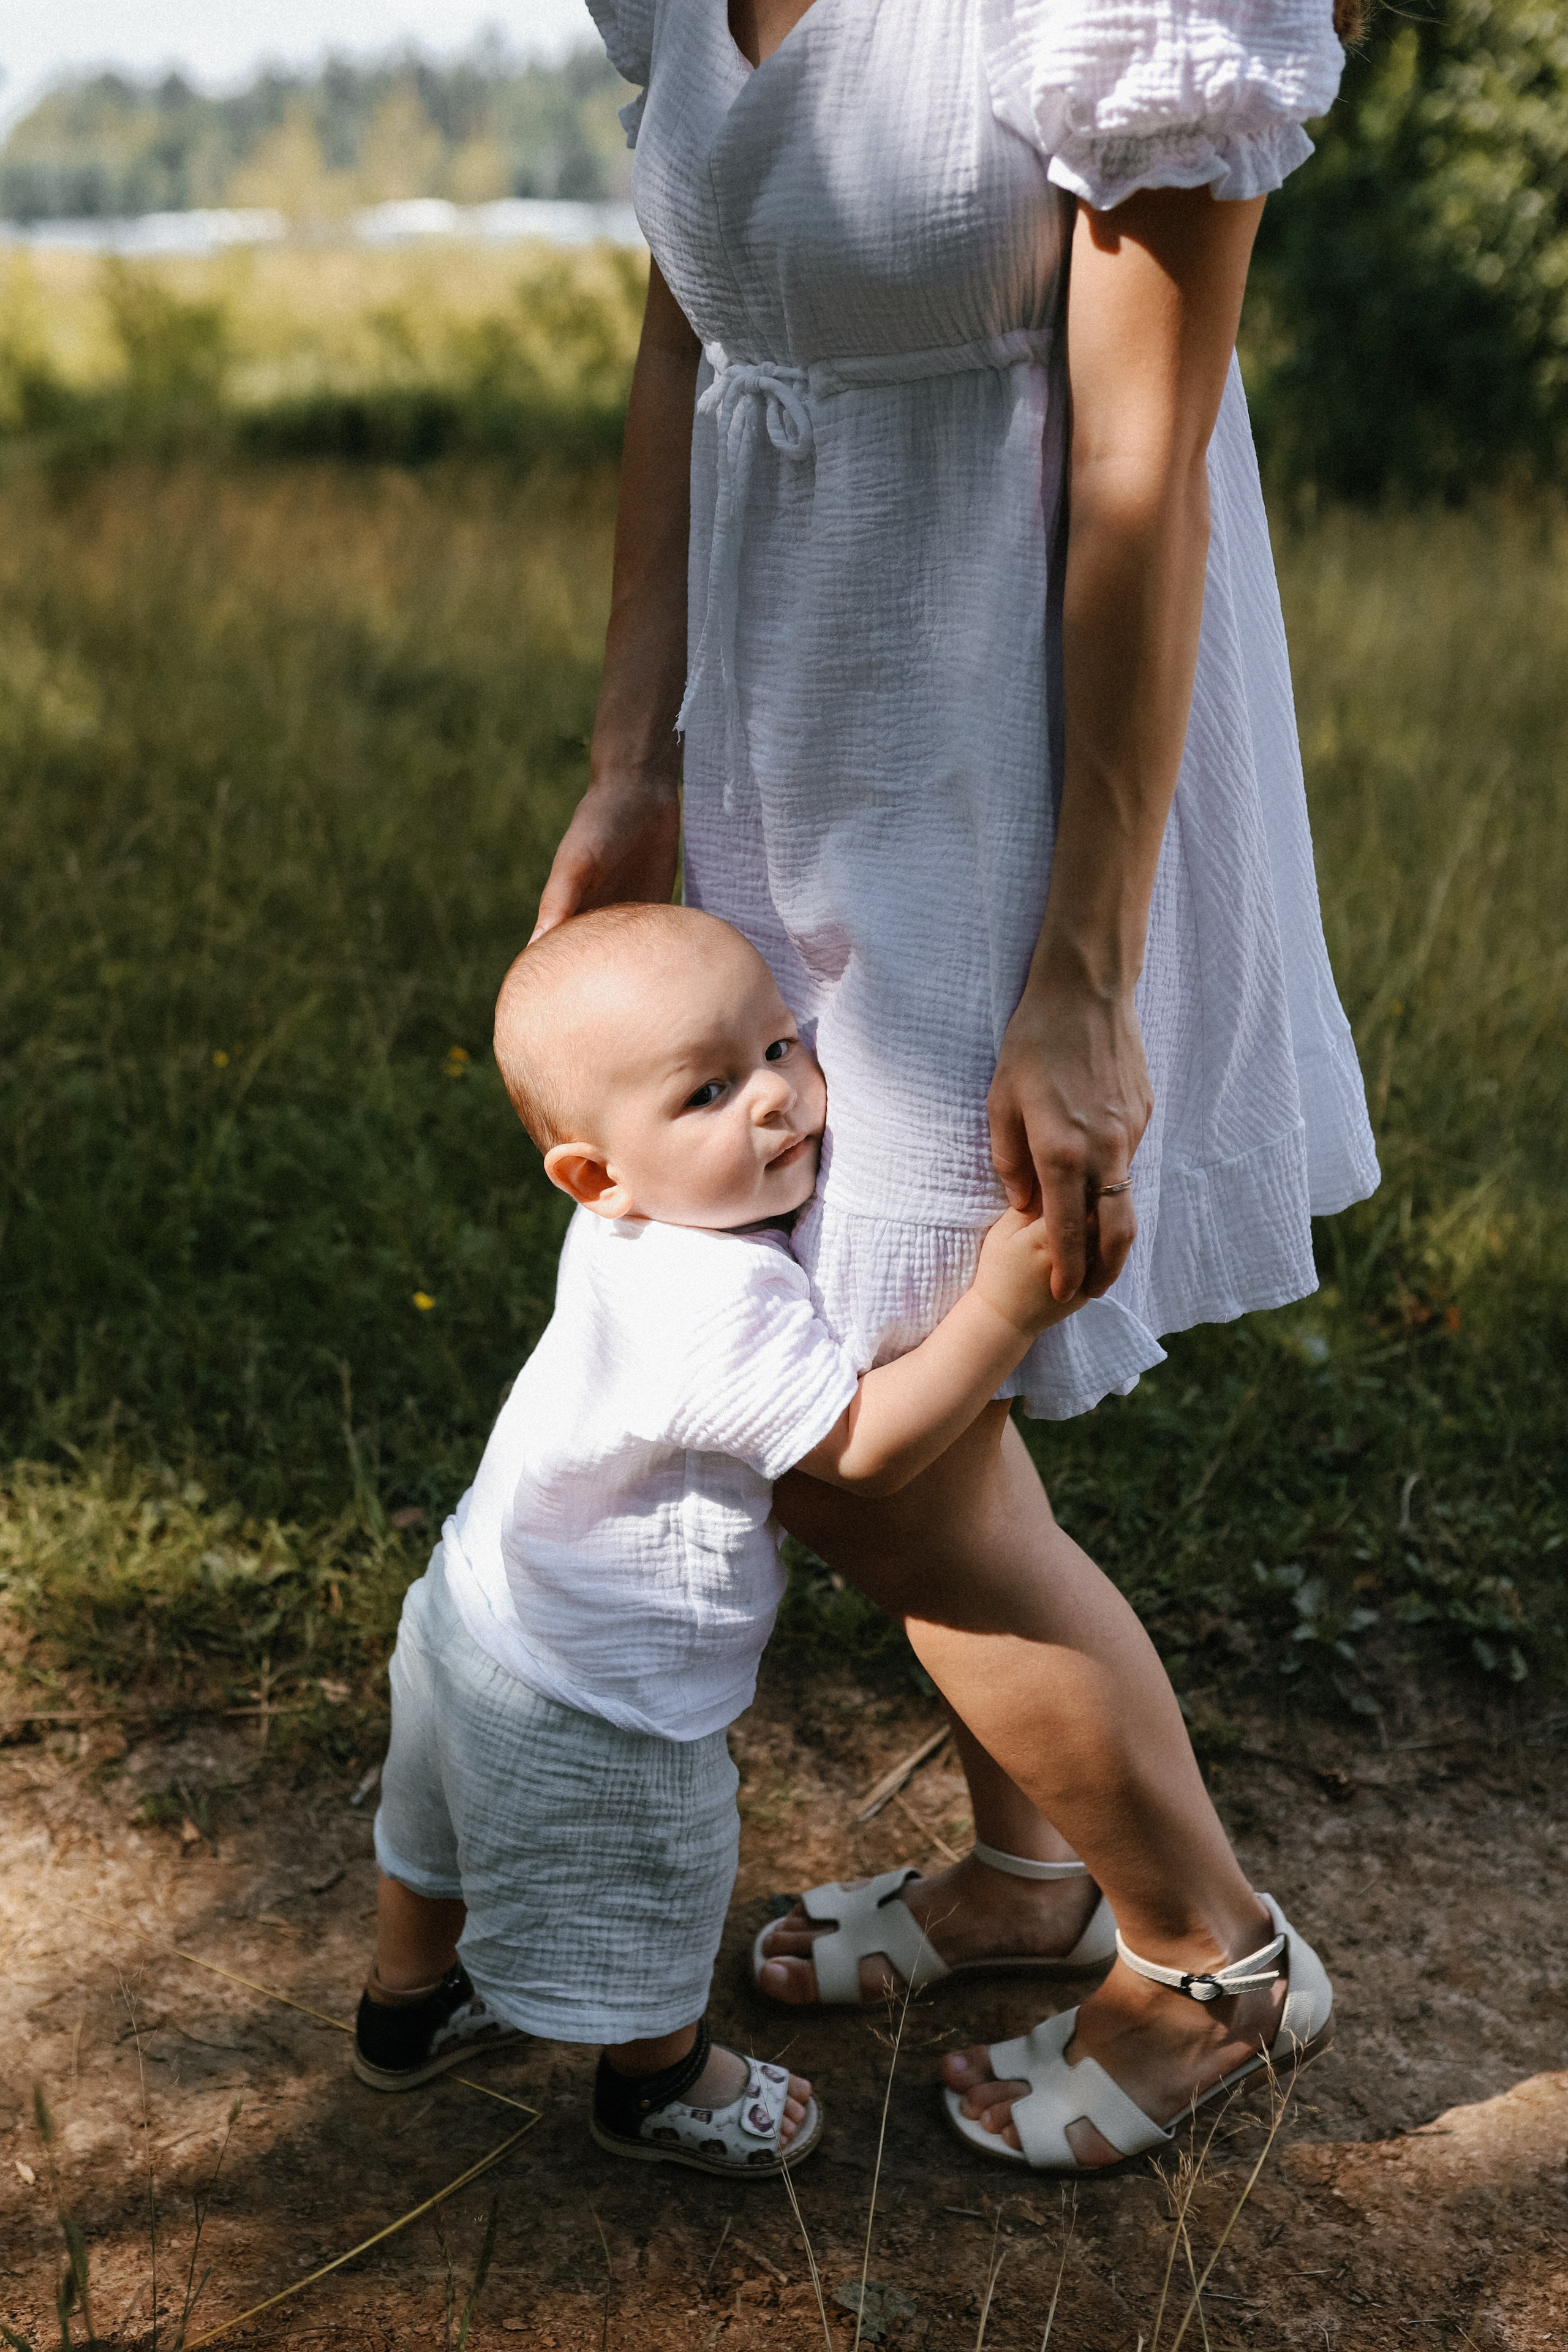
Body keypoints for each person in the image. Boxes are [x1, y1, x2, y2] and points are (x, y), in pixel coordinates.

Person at [537, 0, 1377, 2169]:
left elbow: (1139, 457)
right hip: (780, 727)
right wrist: (638, 758)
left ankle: (1210, 1946)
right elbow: (683, 342)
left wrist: (1083, 969)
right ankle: (1025, 1873)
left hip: (1009, 757)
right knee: (857, 1334)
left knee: (860, 1439)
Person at [353, 902, 1093, 2175]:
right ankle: (658, 2083)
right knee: (651, 1874)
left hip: (474, 1610)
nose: (775, 1100)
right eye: (705, 1092)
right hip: (602, 1692)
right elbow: (864, 1451)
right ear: (596, 1173)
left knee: (430, 1829)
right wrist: (1001, 1311)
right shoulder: (717, 1295)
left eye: (779, 1047)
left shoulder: (634, 1231)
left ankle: (408, 2008)